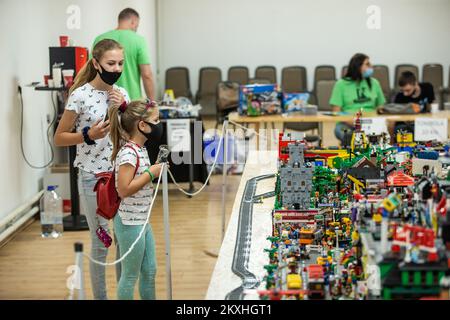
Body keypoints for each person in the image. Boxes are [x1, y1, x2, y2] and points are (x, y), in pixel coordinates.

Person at [54, 39, 130, 300]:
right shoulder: (80, 96)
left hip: (121, 177)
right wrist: (87, 134)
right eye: (111, 63)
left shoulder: (122, 94)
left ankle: (123, 295)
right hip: (91, 178)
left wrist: (125, 108)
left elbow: (131, 134)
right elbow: (59, 137)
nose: (116, 68)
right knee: (102, 243)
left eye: (120, 63)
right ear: (96, 64)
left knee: (123, 240)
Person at [109, 99, 164, 300]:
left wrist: (153, 171)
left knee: (150, 271)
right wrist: (150, 173)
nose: (159, 124)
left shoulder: (141, 150)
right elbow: (123, 189)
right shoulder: (128, 153)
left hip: (142, 220)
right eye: (156, 120)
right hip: (129, 222)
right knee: (130, 275)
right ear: (142, 125)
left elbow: (140, 180)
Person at [92, 8, 155, 100]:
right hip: (132, 103)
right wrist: (152, 103)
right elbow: (147, 75)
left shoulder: (99, 39)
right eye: (137, 27)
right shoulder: (138, 40)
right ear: (133, 22)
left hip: (102, 100)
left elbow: (91, 70)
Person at [329, 53, 386, 143]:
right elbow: (336, 112)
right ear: (357, 66)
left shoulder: (374, 83)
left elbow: (381, 106)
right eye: (367, 64)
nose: (371, 66)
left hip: (371, 123)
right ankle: (352, 155)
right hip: (347, 123)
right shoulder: (341, 84)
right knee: (345, 133)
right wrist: (356, 124)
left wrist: (376, 122)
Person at [390, 71, 436, 137]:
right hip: (406, 124)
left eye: (408, 90)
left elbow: (431, 106)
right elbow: (396, 116)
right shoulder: (400, 96)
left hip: (424, 122)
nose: (405, 94)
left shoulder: (427, 88)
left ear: (415, 84)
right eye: (403, 90)